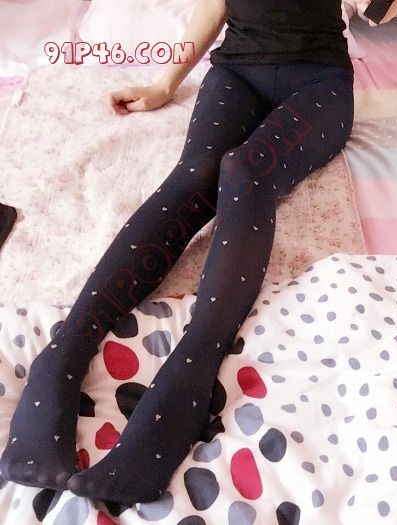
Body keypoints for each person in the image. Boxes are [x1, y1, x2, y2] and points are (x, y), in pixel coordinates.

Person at [0, 0, 354, 505]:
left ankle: (190, 374)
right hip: (237, 73)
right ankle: (62, 357)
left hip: (320, 84)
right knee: (194, 177)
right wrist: (165, 83)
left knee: (245, 172)